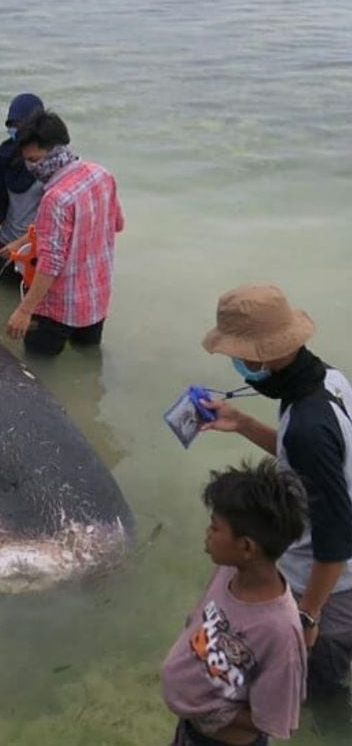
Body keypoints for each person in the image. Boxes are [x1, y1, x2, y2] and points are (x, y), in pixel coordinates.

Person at [200, 283, 352, 707]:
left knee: (318, 693)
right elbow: (307, 463)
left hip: (332, 587)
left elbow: (337, 537)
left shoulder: (307, 425)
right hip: (337, 576)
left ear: (261, 356)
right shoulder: (326, 381)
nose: (236, 362)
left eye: (237, 354)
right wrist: (242, 422)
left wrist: (307, 615)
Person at [161, 460, 307, 746]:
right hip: (192, 729)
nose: (207, 533)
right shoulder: (230, 570)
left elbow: (273, 719)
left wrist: (210, 709)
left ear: (247, 547)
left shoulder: (279, 632)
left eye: (215, 528)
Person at [4, 111, 124, 355]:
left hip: (57, 307)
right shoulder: (101, 174)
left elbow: (51, 262)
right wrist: (22, 241)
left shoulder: (55, 198)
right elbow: (117, 224)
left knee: (38, 369)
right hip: (95, 299)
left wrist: (24, 311)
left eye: (34, 159)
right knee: (88, 362)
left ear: (55, 151)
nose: (31, 167)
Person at [0, 93, 45, 282]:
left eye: (20, 126)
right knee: (1, 301)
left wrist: (22, 242)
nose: (15, 131)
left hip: (37, 249)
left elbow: (52, 219)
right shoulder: (5, 153)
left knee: (32, 303)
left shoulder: (50, 161)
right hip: (6, 245)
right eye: (11, 126)